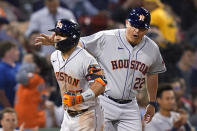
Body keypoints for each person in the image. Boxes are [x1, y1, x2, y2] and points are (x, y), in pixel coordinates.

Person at [35, 7, 166, 131]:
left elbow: (153, 73)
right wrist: (57, 42)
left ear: (147, 29)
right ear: (127, 23)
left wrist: (152, 102)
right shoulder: (107, 37)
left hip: (130, 105)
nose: (137, 31)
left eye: (141, 28)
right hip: (105, 101)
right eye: (134, 26)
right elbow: (80, 43)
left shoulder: (152, 48)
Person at [37, 19, 107, 131]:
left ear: (73, 37)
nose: (57, 37)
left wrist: (79, 99)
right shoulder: (54, 57)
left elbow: (100, 85)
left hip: (88, 115)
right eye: (57, 34)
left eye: (62, 35)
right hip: (67, 115)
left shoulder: (86, 59)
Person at [0, 41, 20, 110]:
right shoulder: (1, 68)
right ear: (7, 52)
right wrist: (9, 109)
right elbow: (1, 92)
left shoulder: (18, 66)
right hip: (5, 110)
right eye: (15, 50)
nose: (18, 53)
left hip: (20, 108)